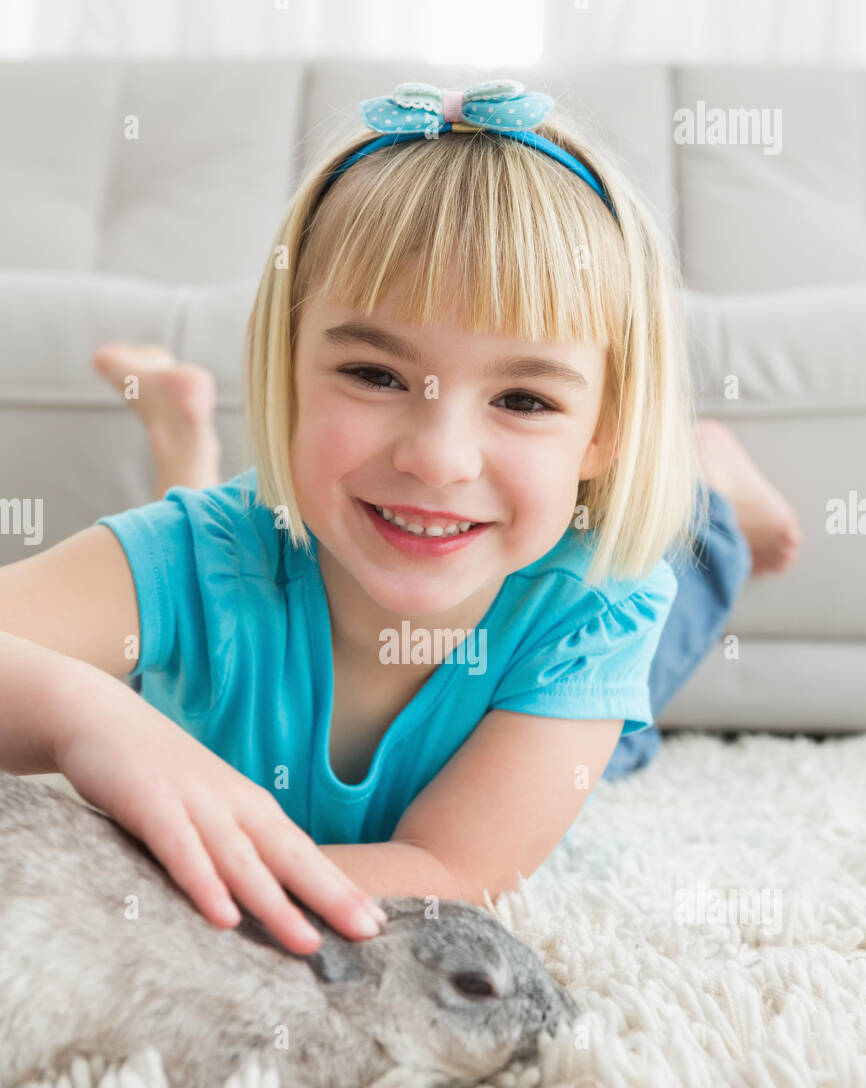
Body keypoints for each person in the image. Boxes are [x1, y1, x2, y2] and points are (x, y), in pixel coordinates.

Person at [0, 78, 801, 954]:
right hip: (256, 534)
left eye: (524, 398)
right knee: (220, 540)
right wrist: (88, 712)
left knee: (636, 706)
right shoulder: (196, 555)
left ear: (604, 436)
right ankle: (179, 441)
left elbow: (449, 871)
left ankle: (713, 486)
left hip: (562, 633)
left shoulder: (602, 604)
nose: (438, 457)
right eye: (377, 376)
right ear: (288, 366)